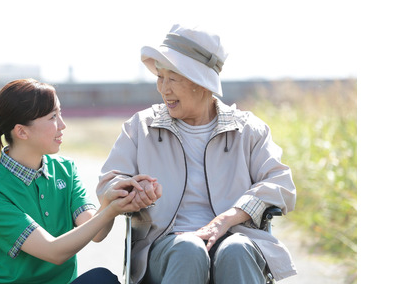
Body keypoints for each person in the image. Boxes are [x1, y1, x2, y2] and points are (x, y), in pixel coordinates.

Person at [97, 24, 297, 284]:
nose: (163, 88)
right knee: (188, 247)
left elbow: (281, 183)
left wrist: (228, 219)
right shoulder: (140, 127)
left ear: (201, 83)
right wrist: (132, 189)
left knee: (236, 249)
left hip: (237, 241)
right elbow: (108, 184)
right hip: (166, 248)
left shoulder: (248, 129)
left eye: (173, 79)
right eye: (160, 77)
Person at [0, 78, 153, 284]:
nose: (62, 125)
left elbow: (96, 232)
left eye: (60, 113)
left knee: (102, 279)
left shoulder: (65, 170)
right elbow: (52, 251)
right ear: (21, 131)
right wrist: (109, 210)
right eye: (53, 117)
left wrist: (111, 200)